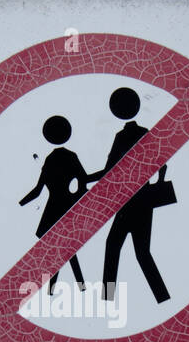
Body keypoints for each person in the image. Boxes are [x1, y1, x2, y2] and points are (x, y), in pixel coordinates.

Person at [98, 87, 171, 303]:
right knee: (142, 252)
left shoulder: (121, 136)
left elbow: (108, 169)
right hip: (144, 201)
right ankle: (162, 297)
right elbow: (161, 163)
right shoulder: (145, 133)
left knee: (113, 247)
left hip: (126, 201)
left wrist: (88, 179)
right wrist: (157, 183)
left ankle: (107, 299)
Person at [19, 114, 91, 292]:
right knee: (65, 249)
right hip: (67, 206)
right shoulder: (70, 157)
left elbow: (38, 191)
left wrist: (19, 204)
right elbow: (84, 181)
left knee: (61, 250)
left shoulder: (50, 160)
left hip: (54, 209)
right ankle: (75, 286)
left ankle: (57, 288)